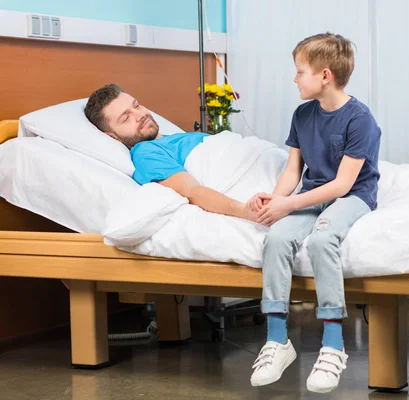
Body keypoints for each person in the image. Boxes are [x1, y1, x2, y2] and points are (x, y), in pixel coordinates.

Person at [248, 32, 381, 393]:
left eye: (300, 71)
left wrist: (289, 204)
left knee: (323, 240)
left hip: (351, 196)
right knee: (276, 238)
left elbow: (341, 186)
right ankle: (278, 340)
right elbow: (293, 171)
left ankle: (334, 343)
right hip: (311, 195)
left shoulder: (360, 120)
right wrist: (274, 199)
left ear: (325, 75)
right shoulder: (303, 114)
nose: (295, 78)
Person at [84, 83, 256, 222]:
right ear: (113, 137)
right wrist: (246, 211)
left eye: (136, 105)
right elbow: (192, 191)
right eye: (126, 118)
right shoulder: (146, 153)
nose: (139, 115)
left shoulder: (177, 137)